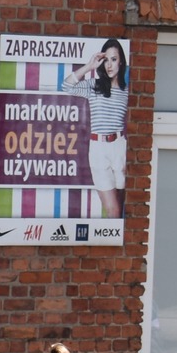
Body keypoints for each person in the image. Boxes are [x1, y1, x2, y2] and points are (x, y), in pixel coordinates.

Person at [61, 38, 130, 219]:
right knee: (113, 211)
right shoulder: (94, 86)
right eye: (106, 60)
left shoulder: (127, 91)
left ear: (121, 61)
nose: (109, 65)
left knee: (121, 210)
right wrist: (89, 66)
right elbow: (66, 86)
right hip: (99, 148)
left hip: (119, 147)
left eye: (113, 59)